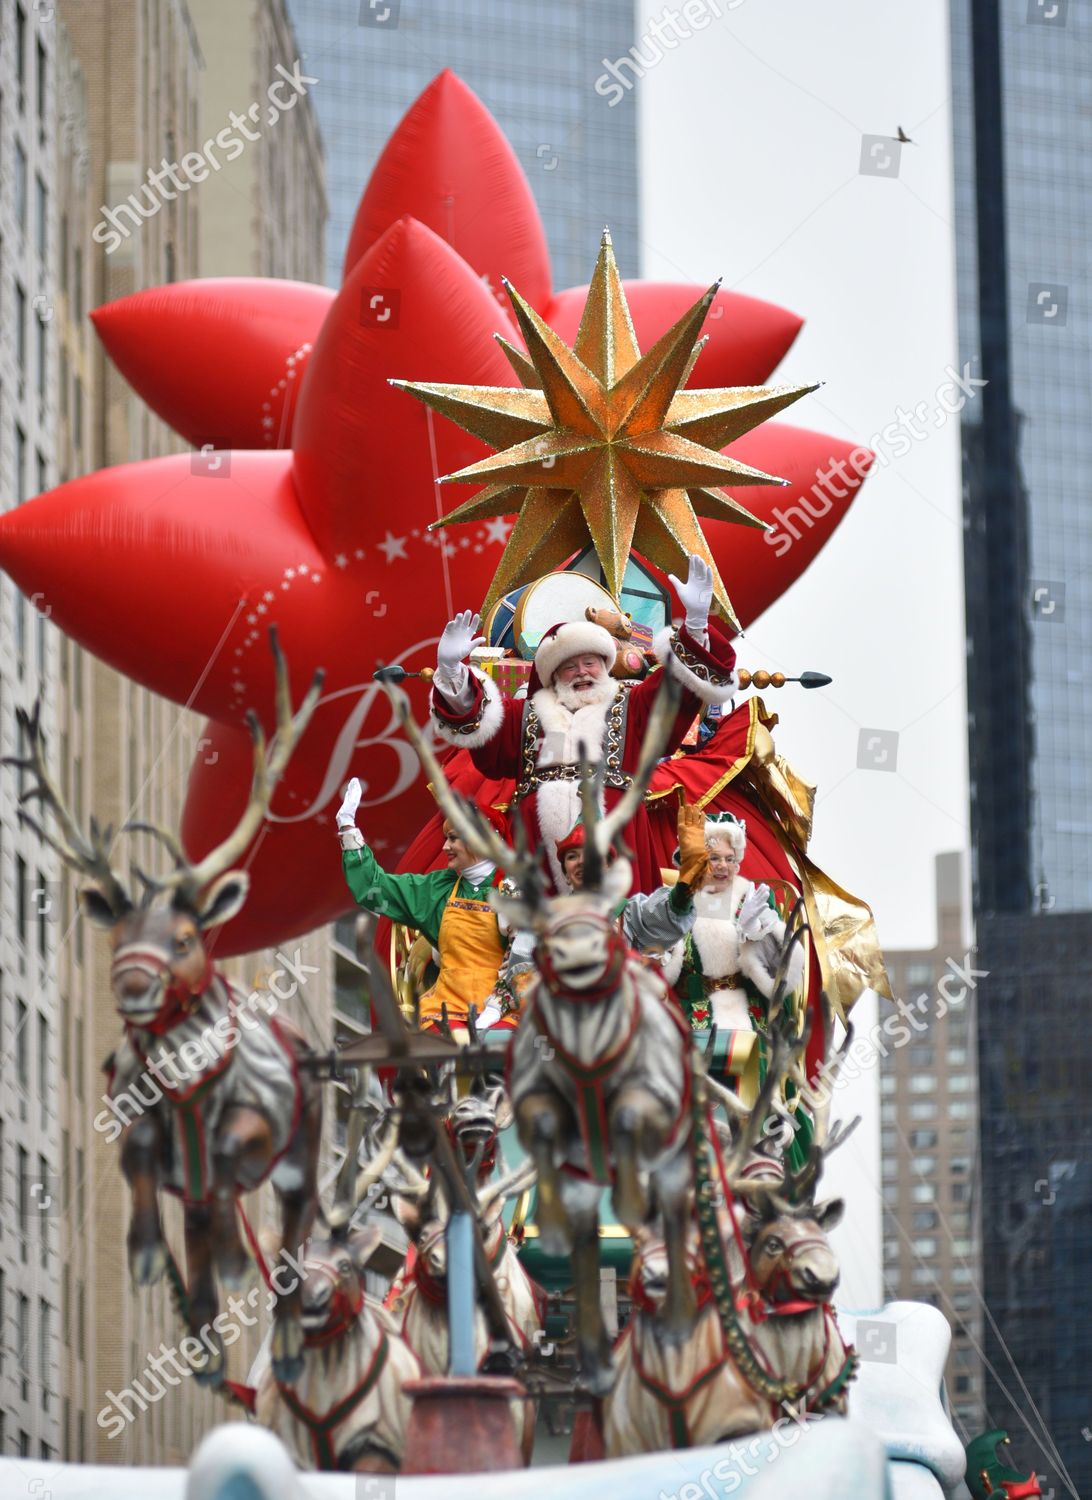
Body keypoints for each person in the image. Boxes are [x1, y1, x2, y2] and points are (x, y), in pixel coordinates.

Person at [427, 554, 737, 892]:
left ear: (605, 665)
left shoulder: (630, 706)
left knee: (623, 931)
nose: (582, 672)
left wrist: (695, 623)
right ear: (553, 675)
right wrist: (451, 672)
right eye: (569, 666)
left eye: (590, 662)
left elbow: (676, 690)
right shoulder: (526, 714)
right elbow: (478, 722)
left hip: (621, 845)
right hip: (540, 854)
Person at [336, 778, 508, 1033]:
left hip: (503, 1013)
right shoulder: (439, 889)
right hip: (446, 1012)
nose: (445, 846)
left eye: (453, 838)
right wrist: (348, 827)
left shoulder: (512, 888)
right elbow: (374, 890)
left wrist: (496, 1009)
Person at [661, 811, 804, 1103]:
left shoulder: (754, 899)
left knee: (761, 1085)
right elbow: (658, 969)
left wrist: (759, 935)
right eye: (714, 858)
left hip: (751, 1015)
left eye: (730, 858)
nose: (723, 866)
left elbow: (782, 974)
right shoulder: (674, 902)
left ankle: (762, 1135)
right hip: (694, 1016)